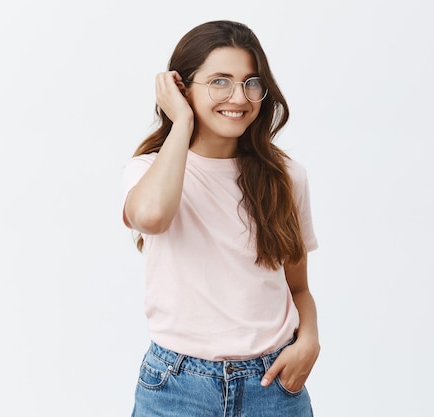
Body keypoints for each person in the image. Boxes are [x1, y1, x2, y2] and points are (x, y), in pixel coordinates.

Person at [121, 20, 320, 417]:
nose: (239, 96)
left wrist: (309, 341)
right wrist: (182, 123)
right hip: (175, 387)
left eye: (250, 83)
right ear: (181, 88)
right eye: (219, 81)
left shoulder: (286, 176)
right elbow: (152, 216)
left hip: (273, 386)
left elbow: (297, 286)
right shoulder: (147, 171)